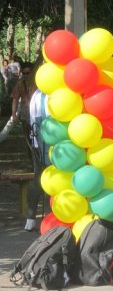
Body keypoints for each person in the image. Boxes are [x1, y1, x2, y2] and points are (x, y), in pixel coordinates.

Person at [24, 88, 51, 231]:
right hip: (48, 147)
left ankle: (31, 218)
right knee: (50, 179)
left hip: (37, 144)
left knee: (38, 178)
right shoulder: (50, 95)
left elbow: (33, 120)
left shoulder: (36, 94)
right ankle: (50, 216)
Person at [11, 62, 36, 141]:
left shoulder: (38, 82)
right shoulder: (19, 84)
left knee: (37, 132)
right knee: (27, 135)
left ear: (32, 72)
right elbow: (15, 100)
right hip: (25, 111)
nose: (25, 76)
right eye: (23, 73)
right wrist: (14, 115)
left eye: (28, 73)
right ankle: (29, 151)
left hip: (37, 109)